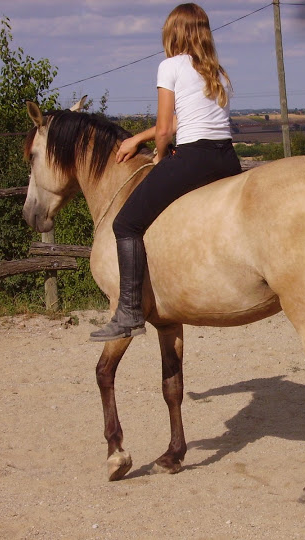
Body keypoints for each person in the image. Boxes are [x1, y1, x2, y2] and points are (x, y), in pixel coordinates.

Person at [90, 3, 242, 342]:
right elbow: (176, 122)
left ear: (173, 33)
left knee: (125, 223)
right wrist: (136, 138)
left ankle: (128, 312)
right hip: (227, 160)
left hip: (192, 158)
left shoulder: (169, 66)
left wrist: (159, 157)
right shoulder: (215, 70)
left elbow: (164, 130)